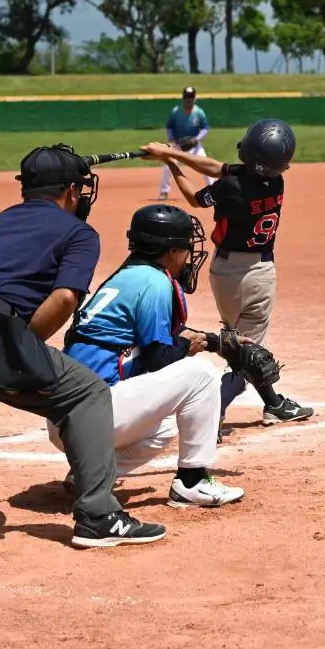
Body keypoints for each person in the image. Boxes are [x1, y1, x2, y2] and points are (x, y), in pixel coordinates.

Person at [0, 144, 166, 549]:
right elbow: (64, 299)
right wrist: (16, 348)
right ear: (73, 191)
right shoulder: (78, 233)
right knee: (87, 392)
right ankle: (99, 516)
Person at [51, 203, 245, 508]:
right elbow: (161, 359)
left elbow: (158, 342)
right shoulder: (154, 283)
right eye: (184, 247)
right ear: (170, 251)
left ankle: (89, 474)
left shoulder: (127, 277)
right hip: (94, 414)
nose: (188, 256)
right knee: (203, 375)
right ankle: (192, 482)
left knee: (163, 427)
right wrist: (198, 346)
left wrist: (213, 341)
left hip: (66, 417)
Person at [142, 118, 315, 425]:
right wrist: (172, 155)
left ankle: (273, 403)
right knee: (248, 353)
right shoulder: (275, 181)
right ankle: (211, 412)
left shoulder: (233, 185)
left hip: (223, 273)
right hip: (256, 273)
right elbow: (215, 167)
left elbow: (198, 196)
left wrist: (171, 161)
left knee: (239, 344)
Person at [159, 86, 211, 200]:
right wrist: (171, 139)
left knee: (206, 164)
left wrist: (196, 139)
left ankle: (214, 189)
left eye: (191, 97)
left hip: (194, 145)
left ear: (194, 98)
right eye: (187, 97)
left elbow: (205, 128)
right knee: (168, 165)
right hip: (177, 145)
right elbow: (169, 127)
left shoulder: (199, 112)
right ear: (183, 98)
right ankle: (164, 192)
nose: (189, 100)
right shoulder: (176, 111)